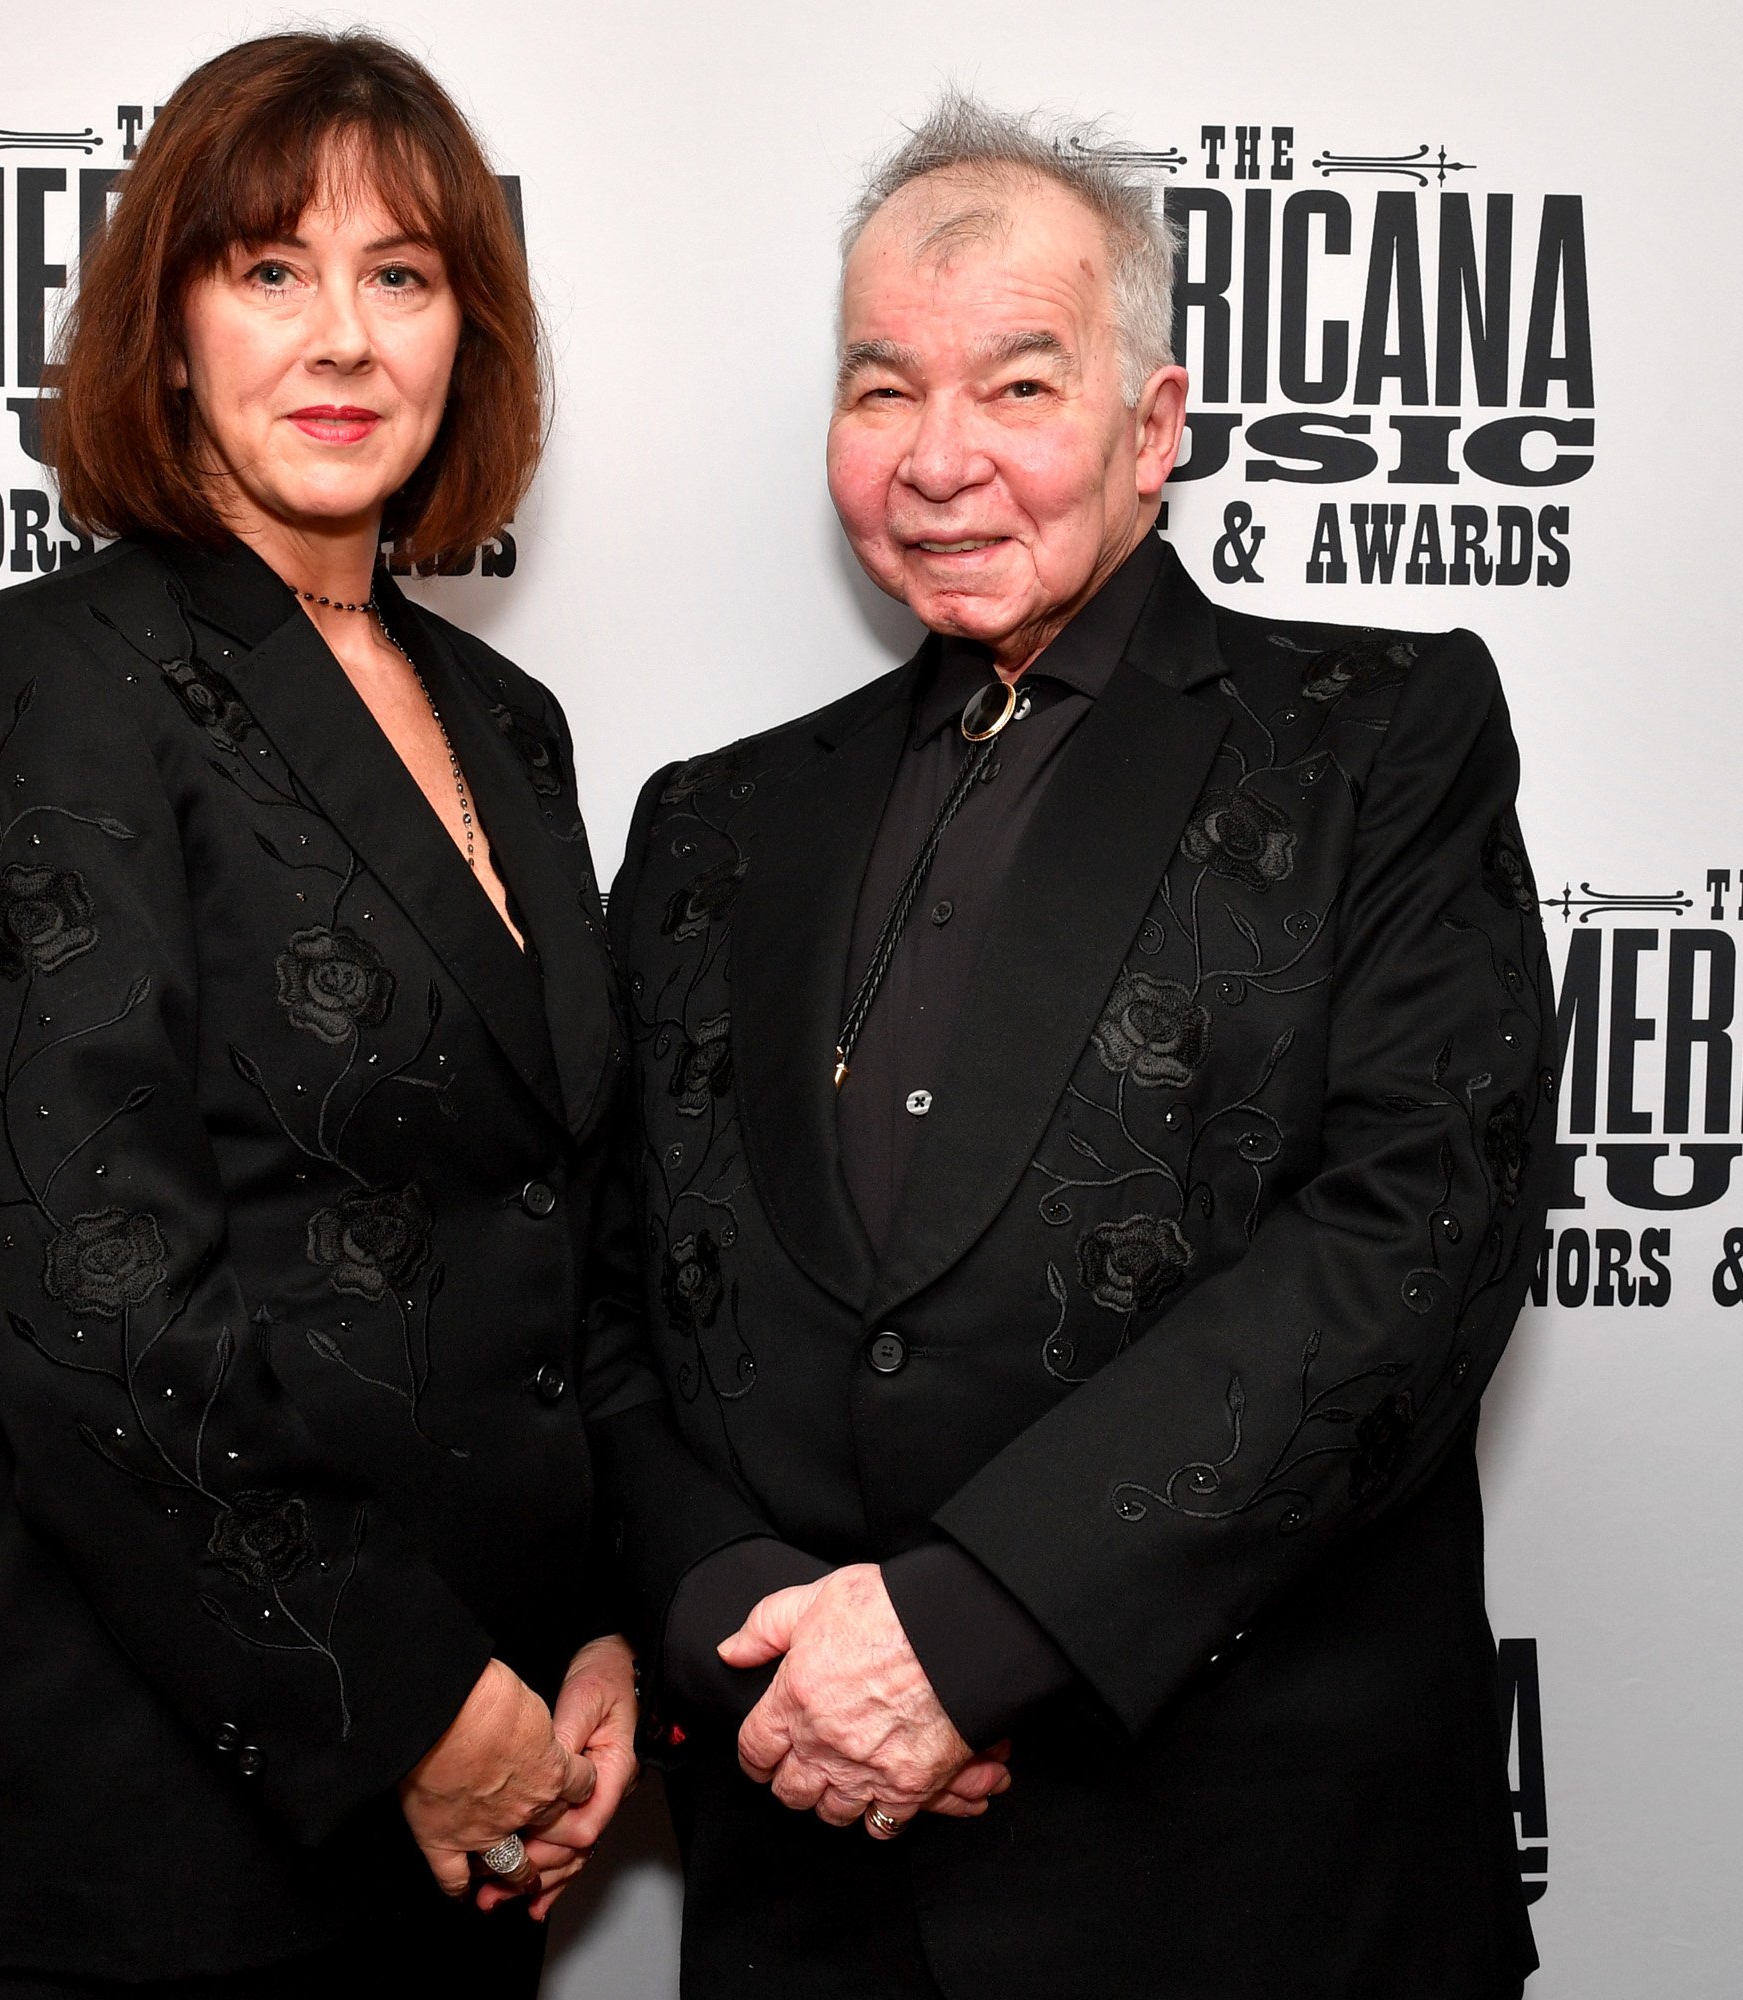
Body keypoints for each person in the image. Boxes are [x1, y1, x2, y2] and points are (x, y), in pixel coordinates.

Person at [582, 94, 1560, 1997]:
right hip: (815, 1876)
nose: (941, 461)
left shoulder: (1379, 735)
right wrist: (733, 1614)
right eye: (882, 393)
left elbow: (1410, 1246)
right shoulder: (708, 824)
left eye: (1019, 386)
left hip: (1244, 1890)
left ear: (1153, 426)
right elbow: (613, 1303)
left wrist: (971, 1627)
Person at [0, 33, 638, 1999]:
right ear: (173, 319)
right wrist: (408, 1700)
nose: (343, 337)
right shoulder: (37, 681)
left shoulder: (510, 730)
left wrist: (598, 1640)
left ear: (470, 329)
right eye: (269, 269)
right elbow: (91, 1298)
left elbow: (567, 1230)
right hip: (166, 1822)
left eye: (403, 274)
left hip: (484, 1804)